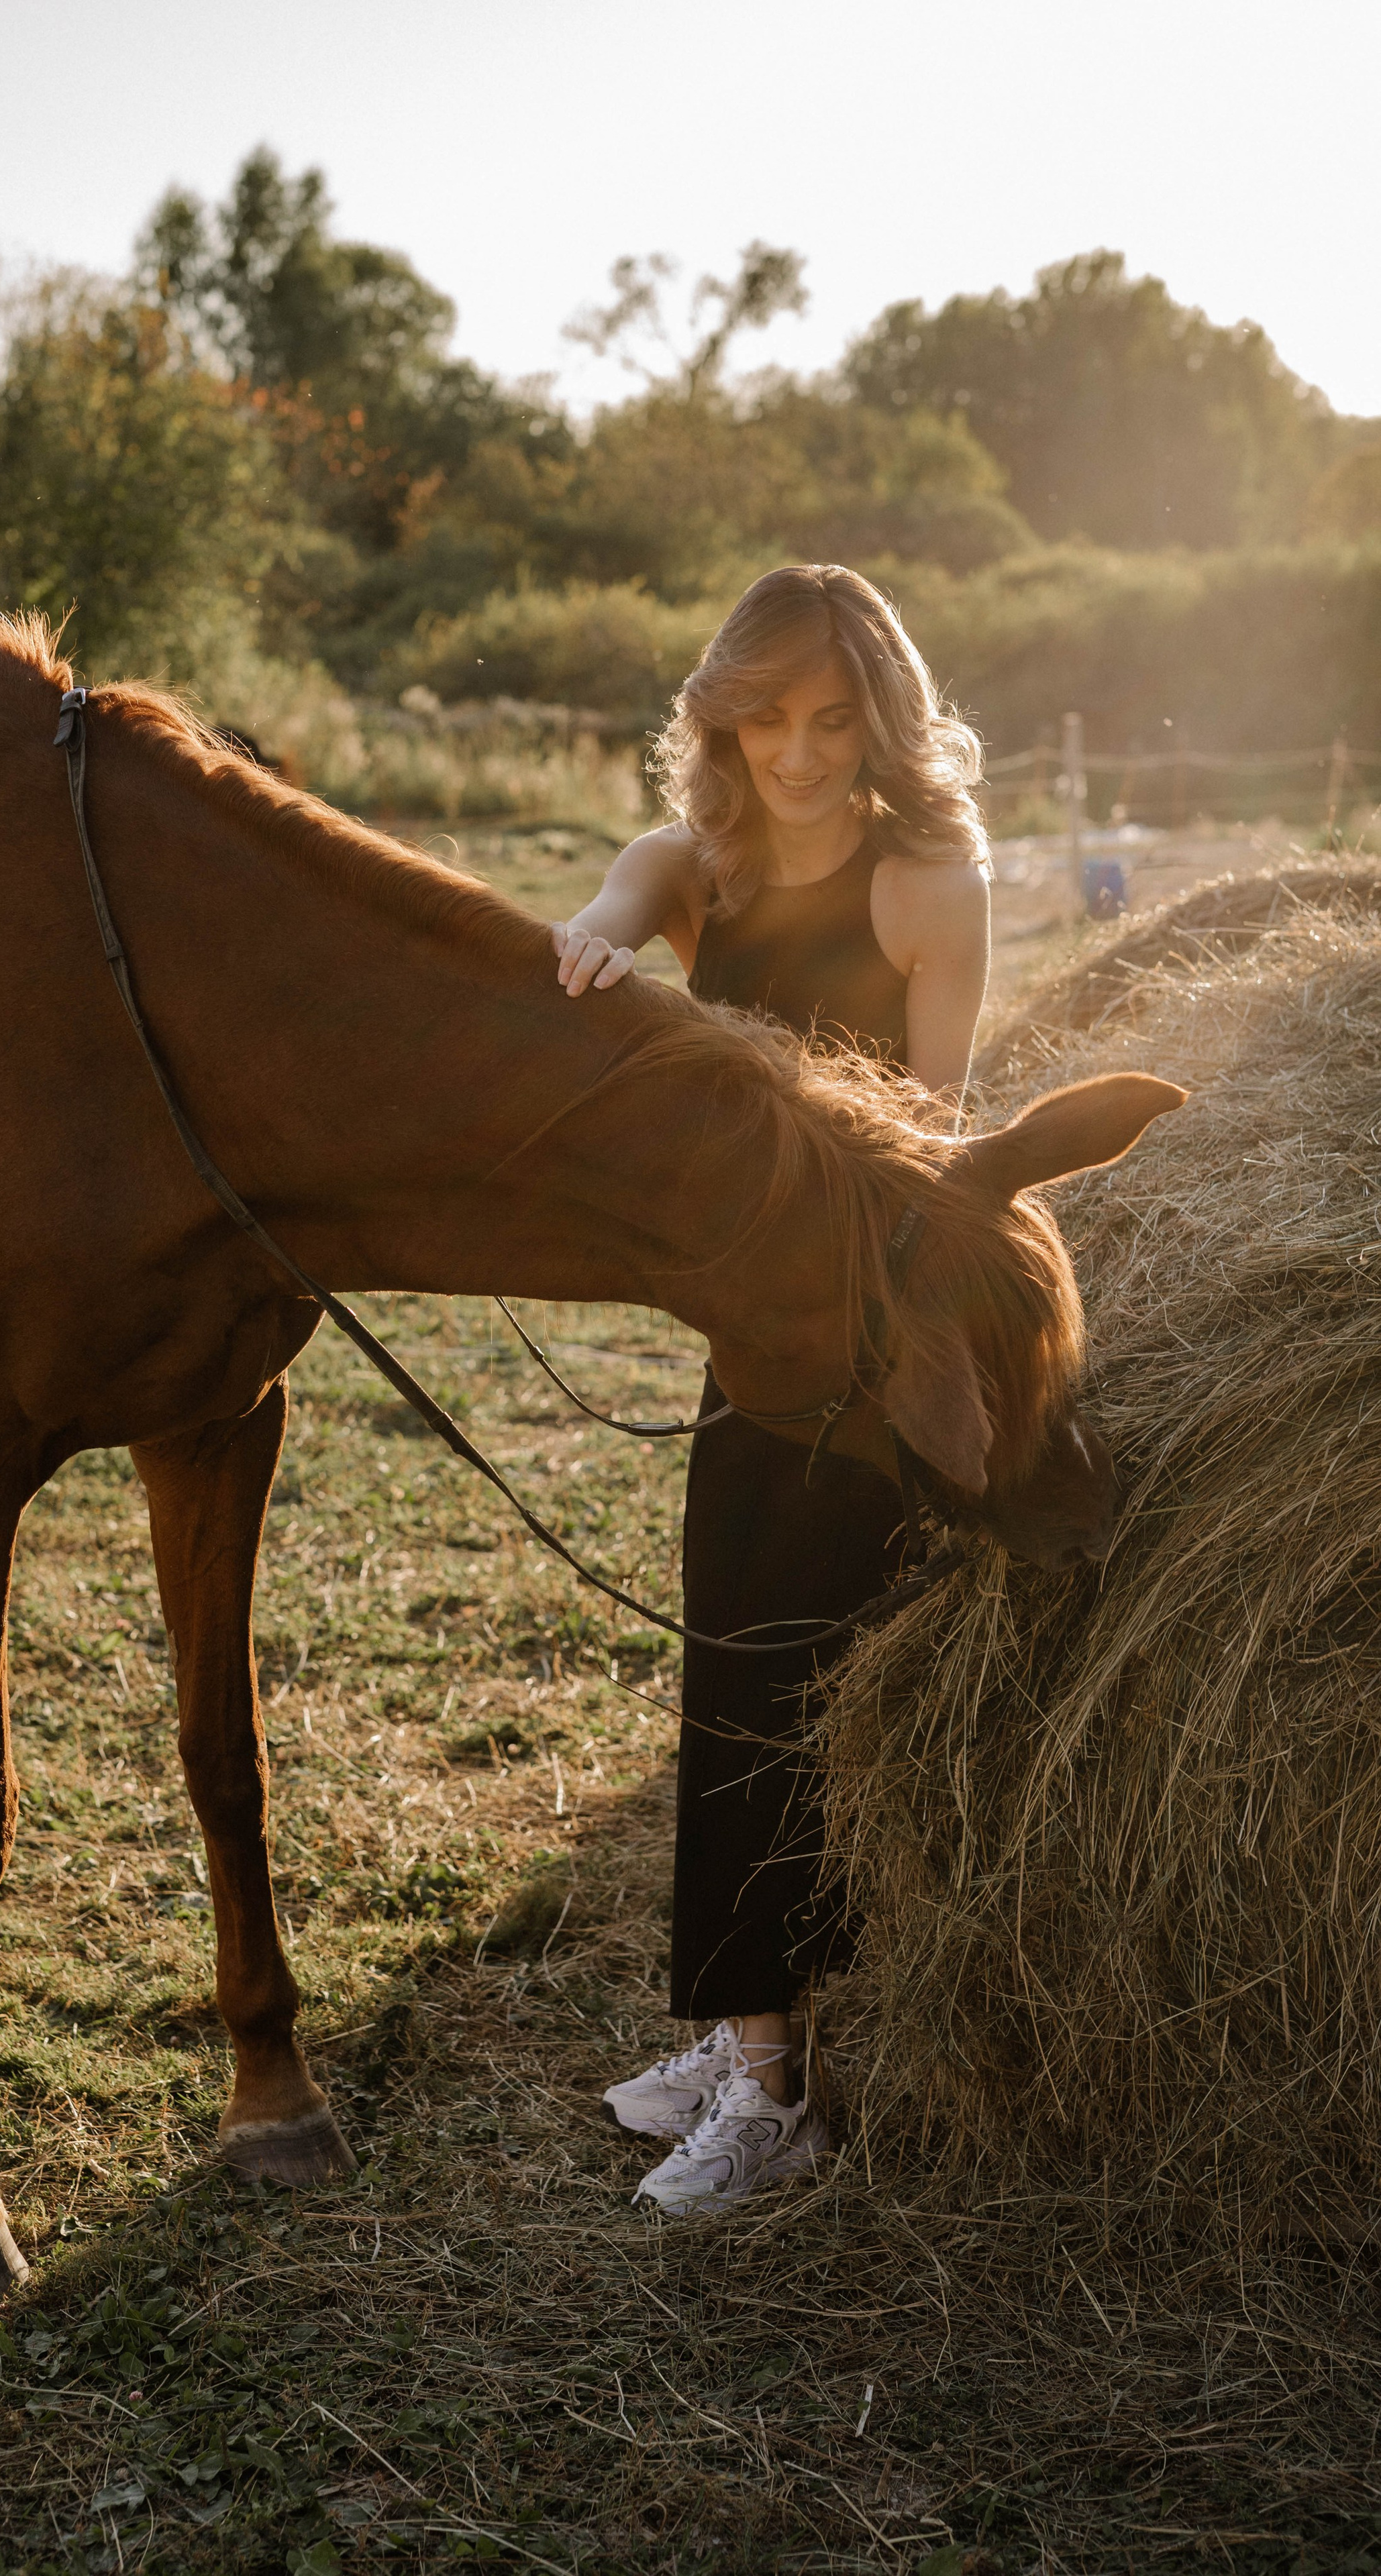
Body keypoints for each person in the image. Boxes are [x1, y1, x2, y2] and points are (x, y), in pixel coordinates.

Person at [551, 564, 990, 2216]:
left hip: (877, 1346)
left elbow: (943, 1146)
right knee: (729, 1684)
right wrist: (593, 951)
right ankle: (751, 2040)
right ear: (717, 715)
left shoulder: (924, 887)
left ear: (877, 722)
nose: (796, 754)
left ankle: (772, 2083)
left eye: (830, 719)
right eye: (762, 715)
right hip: (754, 1349)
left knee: (797, 1693)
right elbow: (599, 920)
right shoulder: (692, 869)